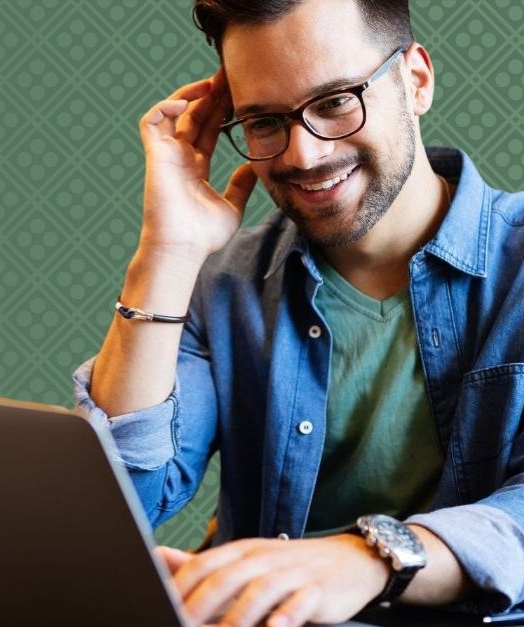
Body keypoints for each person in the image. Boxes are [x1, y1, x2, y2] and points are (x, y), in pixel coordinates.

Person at [72, 1, 524, 625]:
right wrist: (164, 255)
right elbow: (116, 505)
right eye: (263, 121)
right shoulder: (221, 284)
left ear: (415, 80)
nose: (303, 155)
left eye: (336, 101)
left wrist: (371, 557)